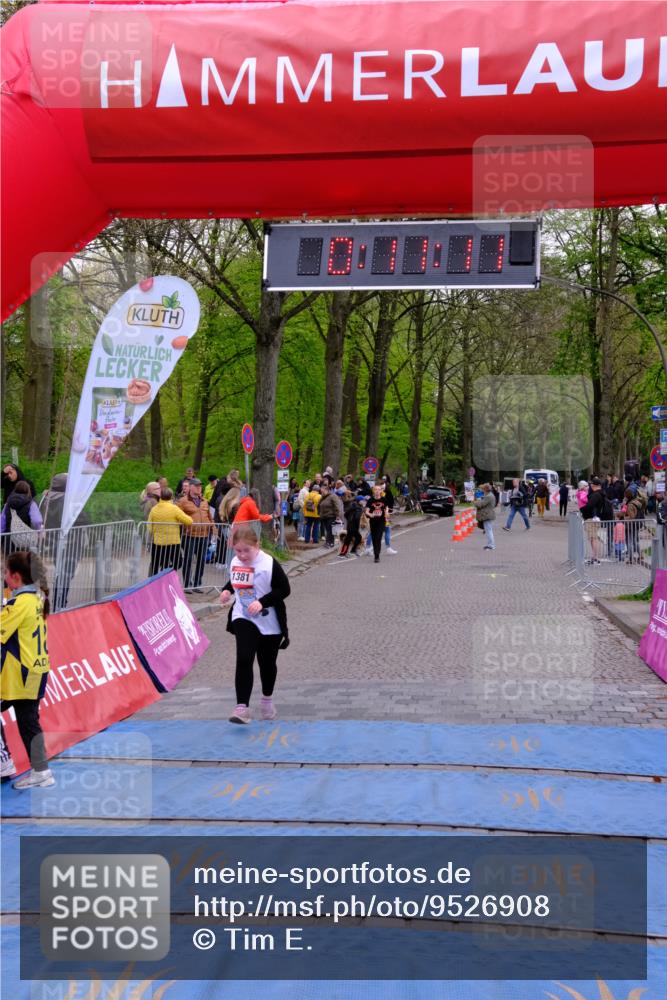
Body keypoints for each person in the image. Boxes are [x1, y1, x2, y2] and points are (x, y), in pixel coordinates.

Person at [219, 516, 290, 725]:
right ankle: (242, 708)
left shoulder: (268, 564)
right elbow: (235, 580)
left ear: (256, 546)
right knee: (244, 657)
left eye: (246, 551)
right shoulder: (235, 561)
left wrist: (263, 602)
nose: (241, 555)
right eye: (237, 551)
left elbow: (284, 589)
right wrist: (226, 590)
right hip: (243, 615)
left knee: (267, 663)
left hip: (269, 620)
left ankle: (267, 699)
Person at [0, 550, 54, 788]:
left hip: (21, 674)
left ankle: (6, 762)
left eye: (5, 572)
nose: (3, 576)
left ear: (15, 577)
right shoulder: (37, 598)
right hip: (37, 669)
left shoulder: (18, 603)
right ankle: (41, 771)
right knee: (28, 721)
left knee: (28, 721)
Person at [37, 473, 91, 612]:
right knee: (67, 572)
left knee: (61, 571)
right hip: (71, 541)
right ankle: (60, 604)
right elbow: (83, 520)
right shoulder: (67, 500)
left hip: (53, 539)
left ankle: (58, 602)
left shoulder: (45, 498)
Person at [177, 479, 217, 591]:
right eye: (197, 486)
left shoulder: (204, 501)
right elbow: (177, 516)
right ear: (190, 487)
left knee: (201, 560)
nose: (200, 488)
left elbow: (209, 516)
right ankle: (187, 584)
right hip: (189, 535)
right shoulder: (183, 501)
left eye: (200, 486)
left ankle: (197, 584)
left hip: (204, 535)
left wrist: (214, 528)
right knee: (188, 559)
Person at [147, 487, 193, 575]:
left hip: (158, 543)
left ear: (160, 496)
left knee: (156, 565)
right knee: (177, 562)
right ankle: (167, 575)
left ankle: (156, 584)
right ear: (171, 497)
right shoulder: (174, 508)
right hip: (173, 543)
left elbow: (149, 526)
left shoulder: (154, 509)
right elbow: (189, 521)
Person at [365, 484, 388, 562]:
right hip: (373, 521)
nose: (377, 491)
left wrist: (387, 513)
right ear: (373, 491)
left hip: (381, 521)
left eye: (379, 490)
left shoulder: (384, 499)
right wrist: (371, 514)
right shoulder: (370, 500)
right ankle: (376, 554)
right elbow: (366, 511)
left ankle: (377, 556)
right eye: (376, 490)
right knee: (374, 539)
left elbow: (386, 508)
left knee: (378, 537)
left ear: (381, 491)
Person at [474, 483, 496, 550]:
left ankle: (491, 545)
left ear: (486, 489)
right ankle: (490, 544)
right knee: (488, 530)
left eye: (483, 489)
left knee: (488, 530)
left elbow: (481, 504)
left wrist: (475, 502)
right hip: (488, 514)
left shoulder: (488, 496)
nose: (482, 490)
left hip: (487, 515)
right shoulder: (489, 495)